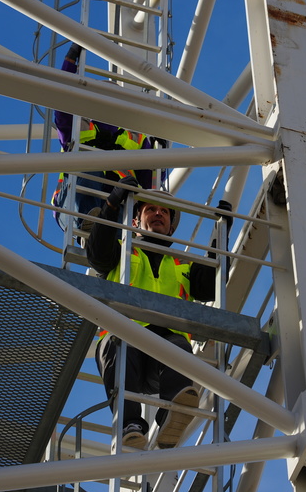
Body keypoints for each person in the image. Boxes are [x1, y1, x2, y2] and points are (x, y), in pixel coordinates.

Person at [87, 177, 232, 449]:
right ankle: (130, 424)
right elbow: (96, 253)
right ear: (135, 222)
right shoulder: (122, 253)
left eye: (164, 211)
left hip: (163, 354)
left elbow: (212, 283)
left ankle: (171, 416)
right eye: (150, 210)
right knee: (121, 344)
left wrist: (222, 235)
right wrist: (111, 204)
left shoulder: (181, 264)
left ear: (171, 226)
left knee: (178, 346)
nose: (158, 214)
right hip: (124, 344)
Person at [51, 43, 158, 233]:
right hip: (72, 204)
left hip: (117, 206)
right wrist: (69, 63)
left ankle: (111, 237)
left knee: (128, 188)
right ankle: (89, 220)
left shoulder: (136, 137)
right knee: (89, 158)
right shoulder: (77, 123)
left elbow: (151, 178)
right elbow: (62, 101)